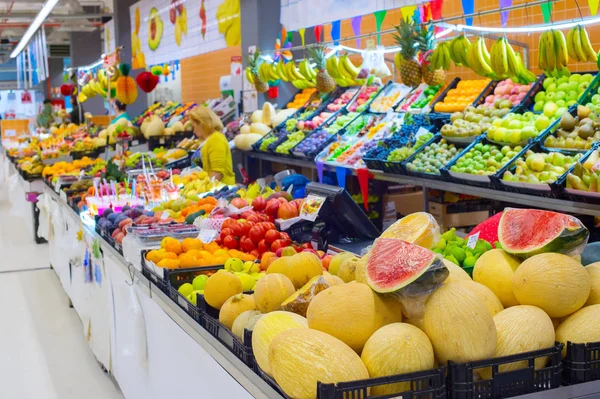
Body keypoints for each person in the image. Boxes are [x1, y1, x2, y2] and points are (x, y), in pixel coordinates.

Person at [190, 107, 235, 185]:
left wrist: (203, 188)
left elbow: (217, 173)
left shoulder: (216, 139)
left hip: (221, 190)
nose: (194, 131)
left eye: (194, 126)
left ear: (202, 123)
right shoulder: (207, 140)